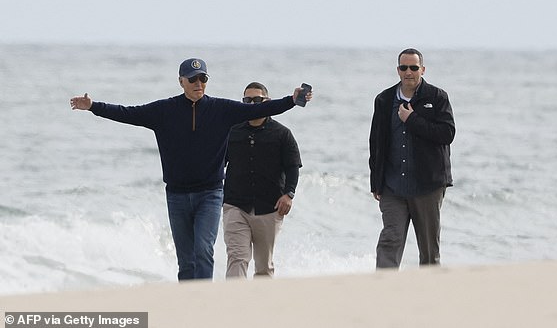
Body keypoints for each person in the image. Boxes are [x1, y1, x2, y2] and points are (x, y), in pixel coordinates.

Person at [69, 58, 311, 281]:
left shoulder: (221, 110)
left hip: (210, 194)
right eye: (193, 79)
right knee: (185, 262)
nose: (198, 83)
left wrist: (292, 100)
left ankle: (202, 304)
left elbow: (261, 110)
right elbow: (126, 113)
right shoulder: (164, 111)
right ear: (181, 81)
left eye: (203, 79)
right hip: (176, 195)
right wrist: (93, 106)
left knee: (203, 251)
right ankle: (187, 305)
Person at [369, 48, 455, 268]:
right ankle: (382, 288)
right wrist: (376, 182)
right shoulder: (384, 99)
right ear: (398, 70)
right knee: (390, 239)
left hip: (427, 185)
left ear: (423, 70)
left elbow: (447, 134)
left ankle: (429, 291)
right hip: (392, 186)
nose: (409, 72)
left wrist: (412, 119)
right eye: (404, 67)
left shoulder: (437, 97)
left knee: (428, 249)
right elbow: (375, 142)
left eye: (414, 68)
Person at [222, 82, 302, 278]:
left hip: (270, 207)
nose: (252, 104)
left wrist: (289, 194)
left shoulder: (282, 134)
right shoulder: (232, 131)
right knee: (237, 257)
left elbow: (293, 167)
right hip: (235, 206)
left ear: (267, 102)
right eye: (247, 100)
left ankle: (260, 306)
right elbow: (216, 163)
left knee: (264, 267)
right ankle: (233, 304)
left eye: (257, 100)